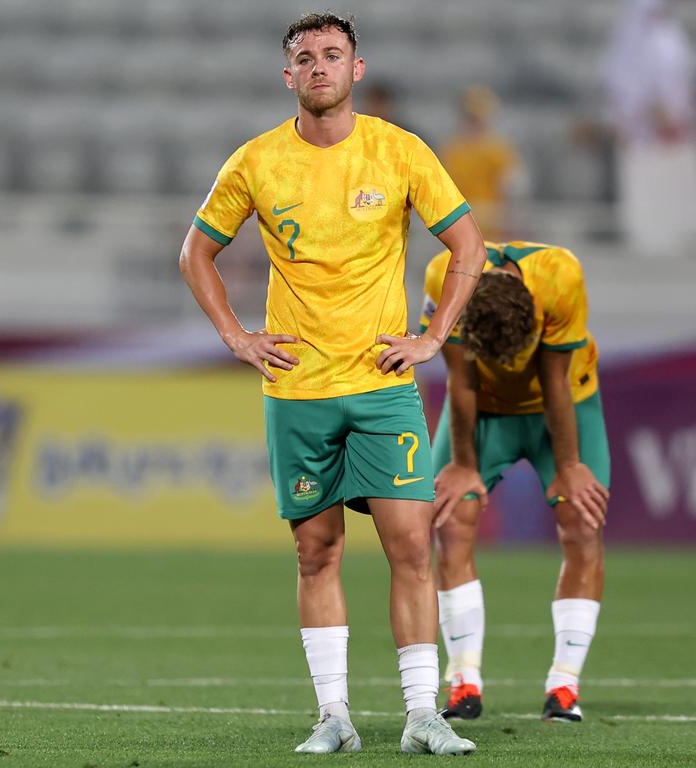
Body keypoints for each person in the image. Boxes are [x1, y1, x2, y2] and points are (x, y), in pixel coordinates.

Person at [178, 11, 486, 756]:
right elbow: (196, 254)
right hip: (297, 389)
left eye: (332, 54)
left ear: (357, 69)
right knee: (315, 552)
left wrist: (433, 337)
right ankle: (335, 716)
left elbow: (468, 245)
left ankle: (422, 714)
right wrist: (237, 337)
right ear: (288, 76)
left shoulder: (400, 151)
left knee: (411, 545)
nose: (319, 66)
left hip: (381, 383)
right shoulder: (256, 162)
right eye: (305, 57)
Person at [420, 241, 610, 723]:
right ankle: (464, 681)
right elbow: (461, 382)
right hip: (483, 412)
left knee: (582, 522)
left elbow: (555, 382)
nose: (506, 366)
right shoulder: (446, 276)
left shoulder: (560, 276)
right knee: (452, 520)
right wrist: (463, 464)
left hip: (566, 403)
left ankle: (564, 686)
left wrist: (568, 466)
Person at [603, 0, 696, 257]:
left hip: (675, 125)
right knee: (646, 187)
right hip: (643, 127)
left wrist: (678, 112)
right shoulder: (631, 36)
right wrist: (649, 107)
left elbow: (677, 79)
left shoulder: (670, 35)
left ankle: (674, 239)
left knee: (673, 185)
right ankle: (648, 242)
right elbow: (624, 79)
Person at [439, 86, 524, 241]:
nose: (474, 121)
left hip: (492, 227)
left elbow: (512, 189)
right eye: (470, 116)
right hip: (458, 225)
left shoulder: (498, 149)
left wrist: (511, 223)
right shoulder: (452, 149)